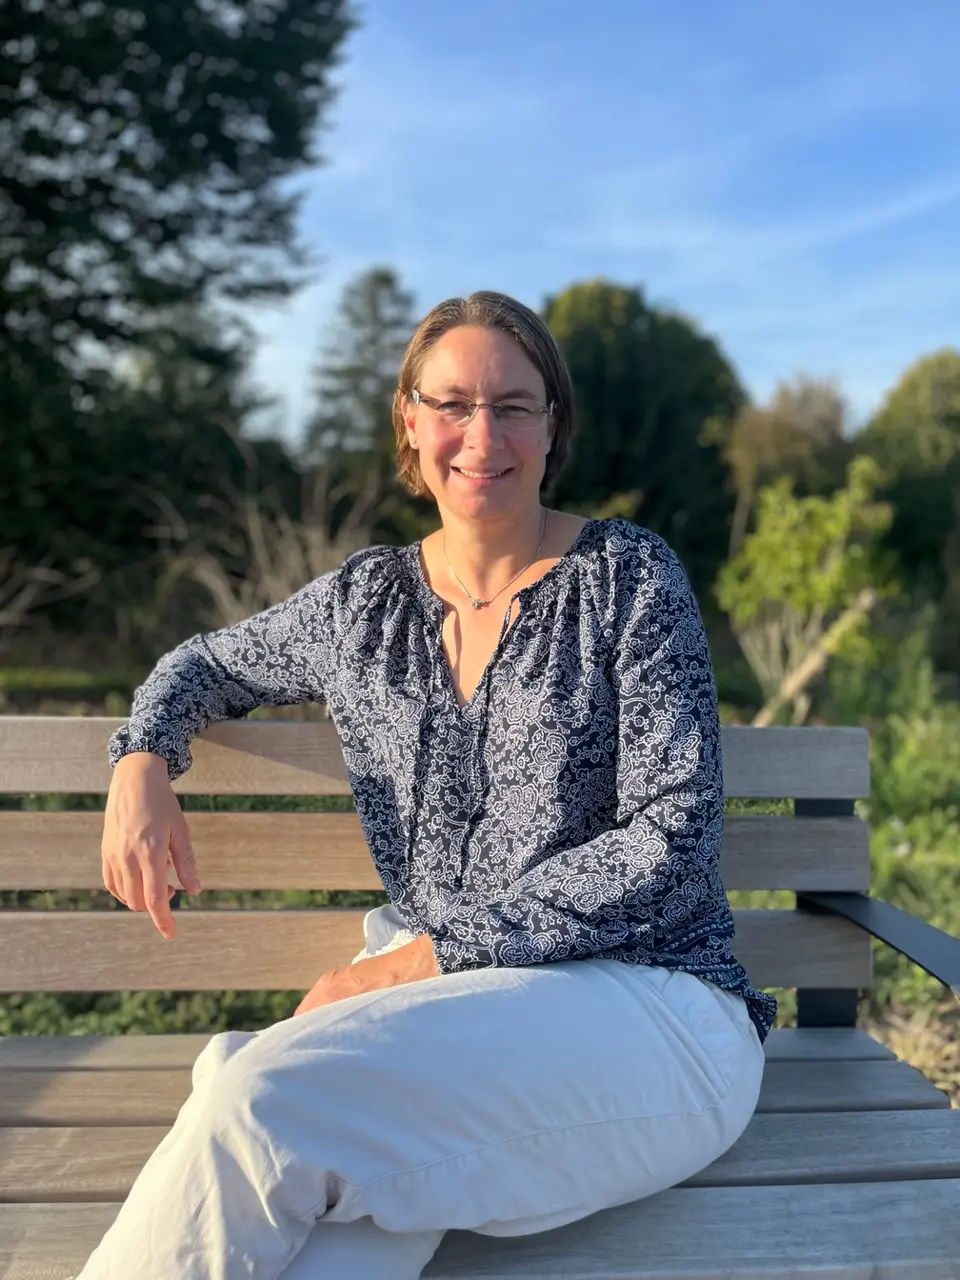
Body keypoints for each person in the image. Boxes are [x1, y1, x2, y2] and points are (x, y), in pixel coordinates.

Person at [77, 291, 776, 1280]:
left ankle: (264, 1077)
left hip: (646, 1004)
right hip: (440, 1011)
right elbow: (205, 662)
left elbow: (673, 835)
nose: (481, 435)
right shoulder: (364, 604)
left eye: (513, 405)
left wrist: (421, 959)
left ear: (552, 425)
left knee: (255, 1099)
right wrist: (141, 757)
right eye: (451, 403)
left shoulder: (626, 576)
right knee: (315, 1243)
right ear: (409, 419)